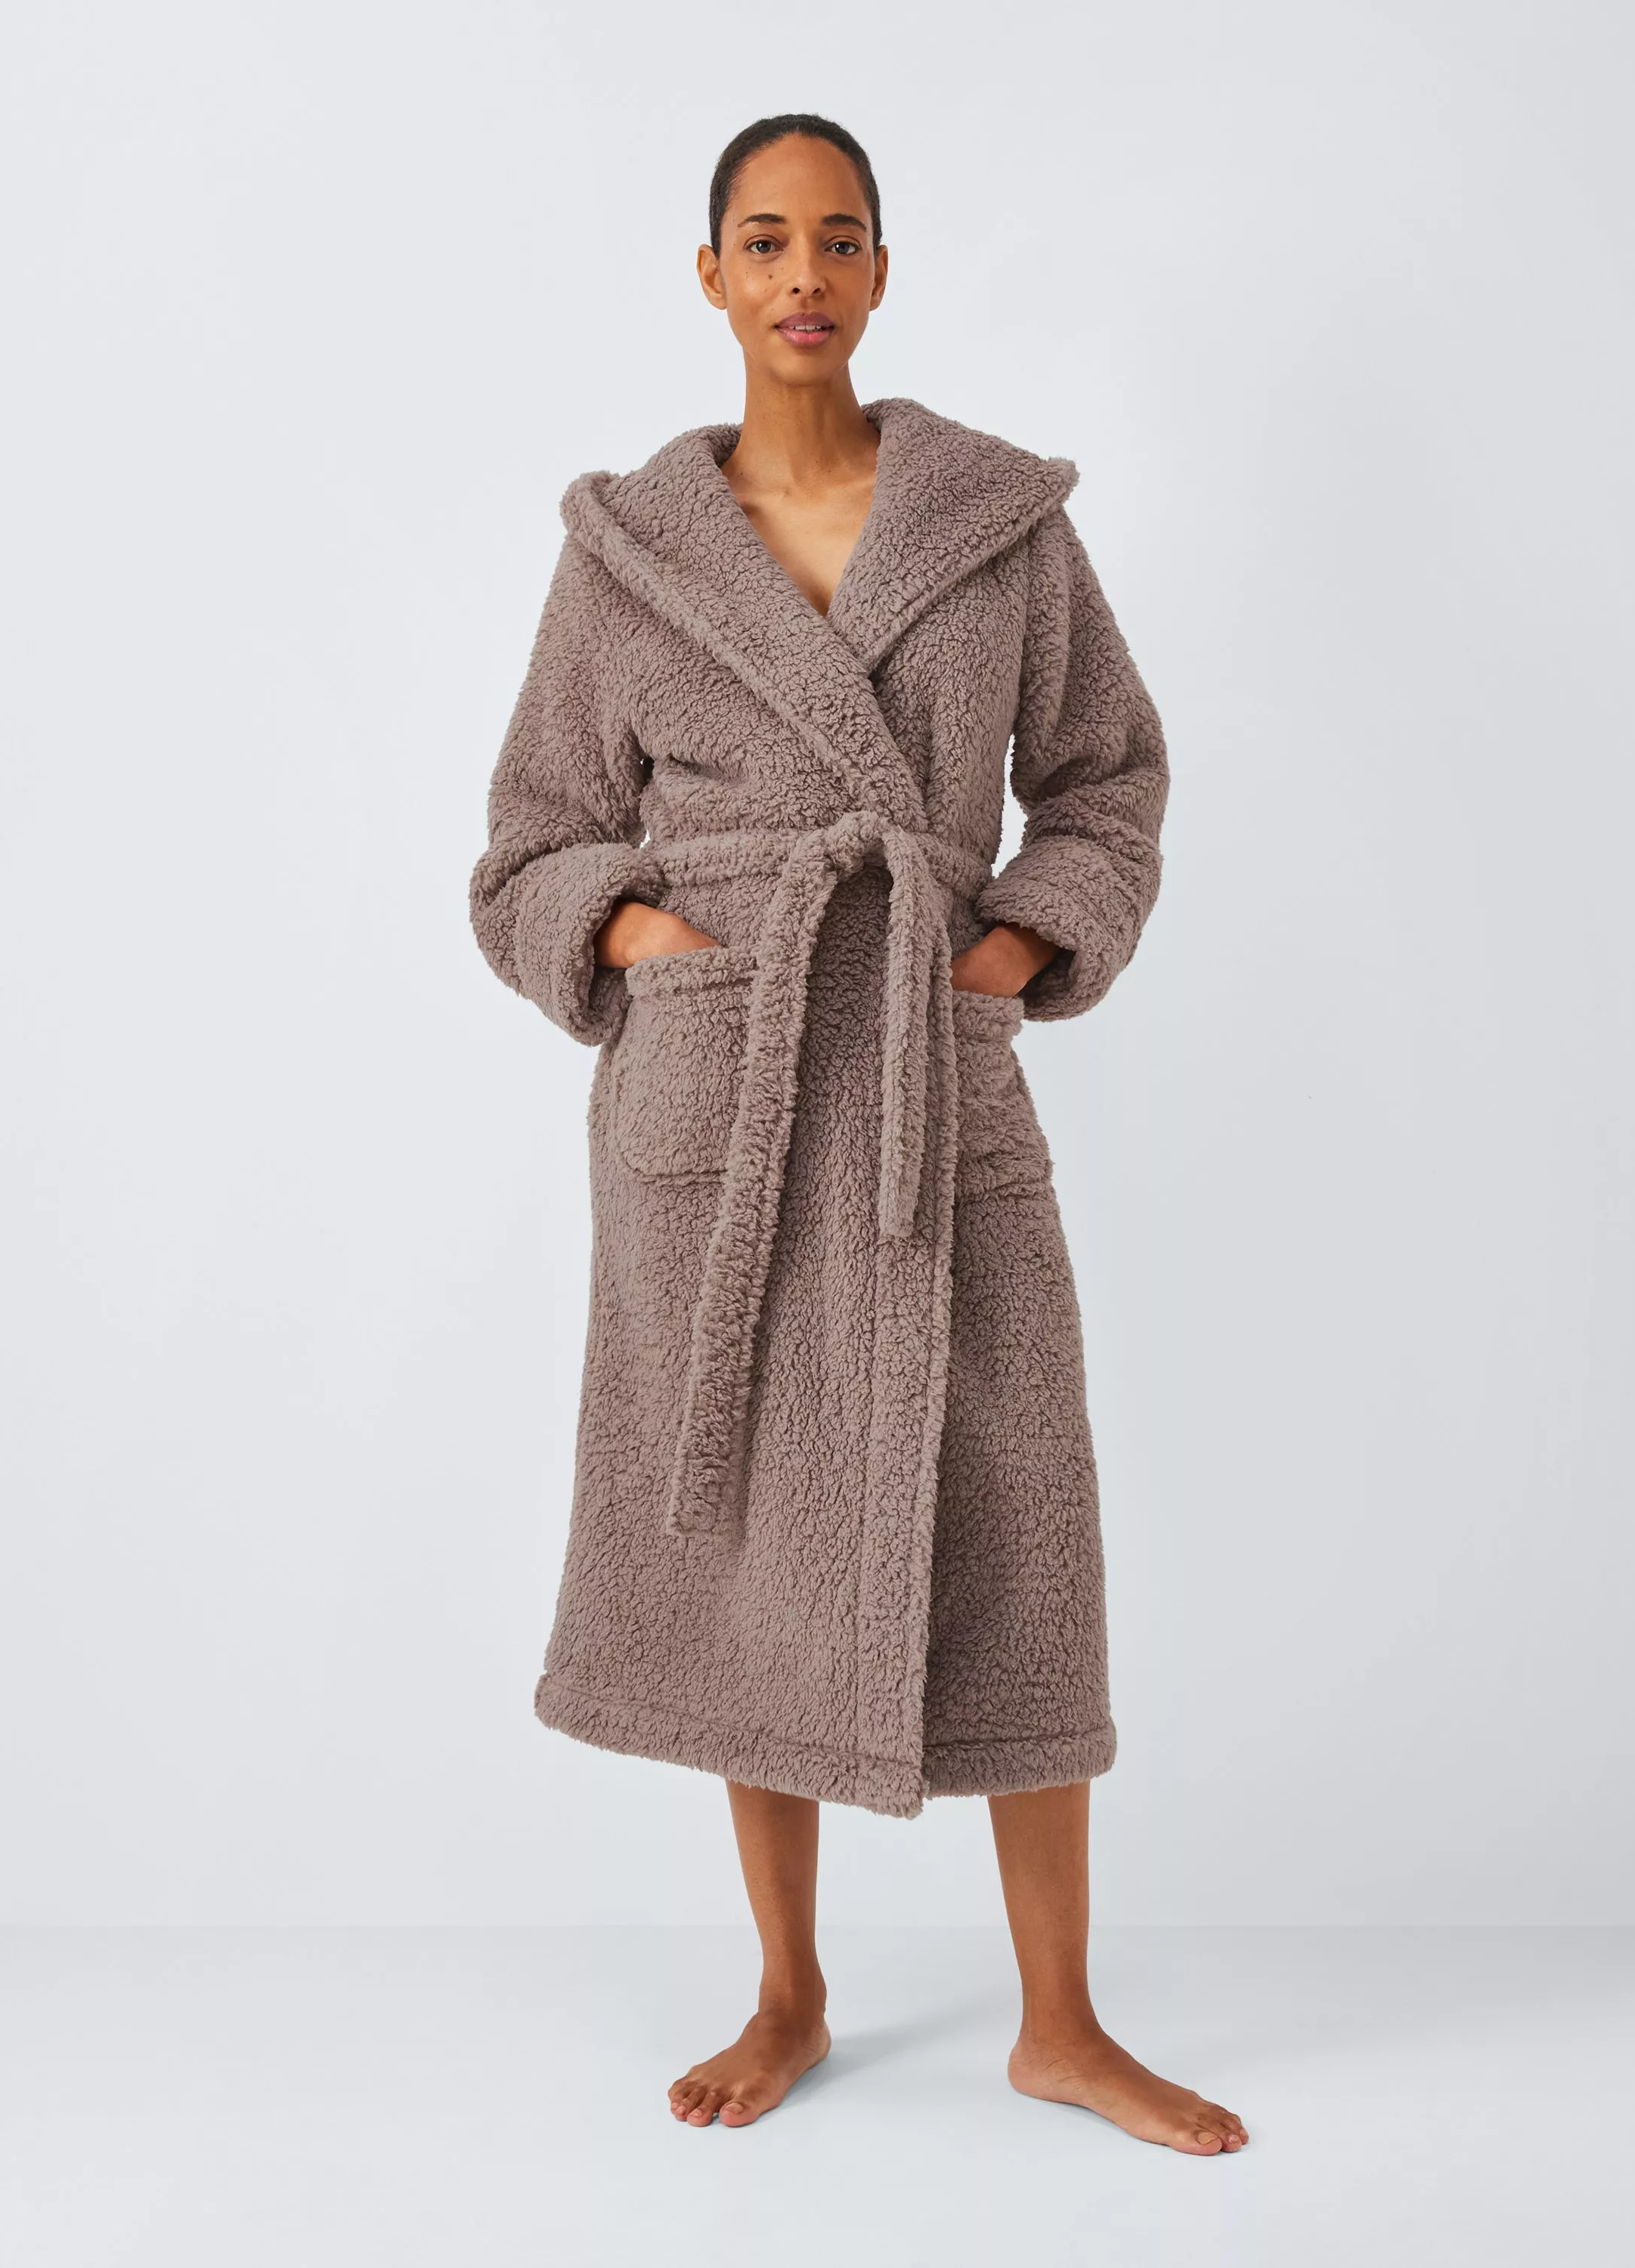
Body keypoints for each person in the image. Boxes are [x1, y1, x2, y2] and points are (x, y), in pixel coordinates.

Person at [468, 111, 1246, 2155]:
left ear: (884, 271)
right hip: (714, 1109)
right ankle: (789, 1990)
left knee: (1018, 1524)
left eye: (837, 238)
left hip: (928, 1078)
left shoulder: (999, 532)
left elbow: (1110, 777)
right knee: (754, 1529)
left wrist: (1017, 947)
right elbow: (528, 845)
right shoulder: (629, 556)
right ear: (711, 275)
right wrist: (633, 937)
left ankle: (1061, 2021)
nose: (801, 274)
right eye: (763, 239)